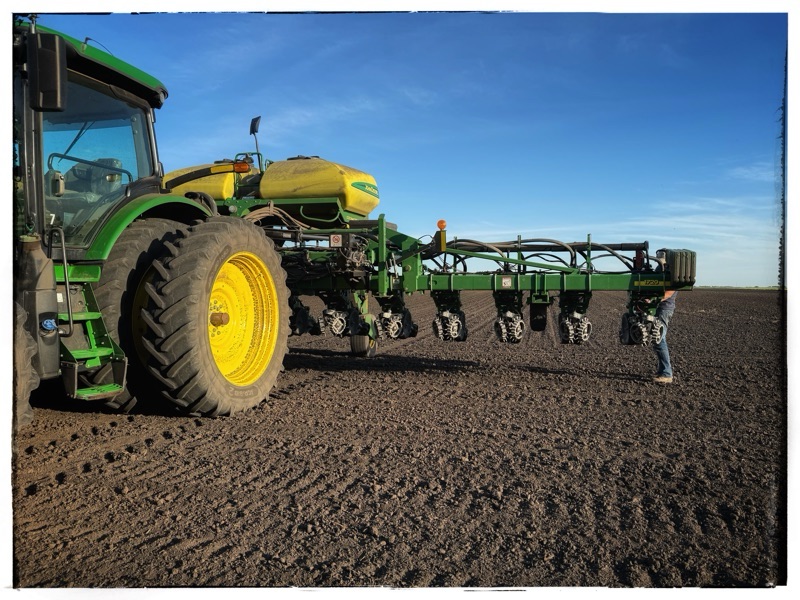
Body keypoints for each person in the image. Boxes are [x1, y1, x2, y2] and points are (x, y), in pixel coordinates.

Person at [652, 250, 677, 383]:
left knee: (659, 339)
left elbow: (668, 293)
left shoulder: (673, 272)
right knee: (656, 340)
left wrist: (652, 299)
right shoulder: (659, 268)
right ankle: (662, 370)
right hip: (657, 307)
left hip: (664, 309)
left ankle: (667, 373)